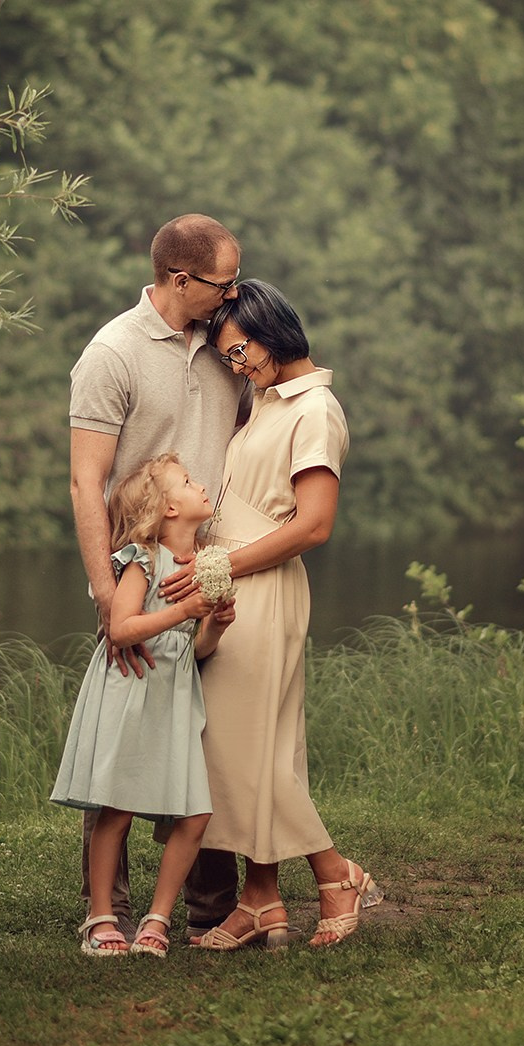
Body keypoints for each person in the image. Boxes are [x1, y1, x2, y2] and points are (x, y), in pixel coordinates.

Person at [169, 279, 383, 949]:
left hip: (261, 583)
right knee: (242, 745)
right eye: (229, 357)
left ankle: (335, 871)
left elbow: (315, 525)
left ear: (274, 328)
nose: (239, 365)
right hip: (229, 581)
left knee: (246, 752)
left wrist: (226, 566)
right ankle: (261, 897)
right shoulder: (262, 401)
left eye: (243, 350)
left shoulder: (315, 408)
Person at [68, 215, 247, 940]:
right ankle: (102, 908)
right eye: (222, 281)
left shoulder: (227, 349)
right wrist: (111, 595)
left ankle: (201, 903)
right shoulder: (113, 352)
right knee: (123, 743)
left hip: (209, 569)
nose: (233, 291)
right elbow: (88, 481)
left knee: (206, 735)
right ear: (180, 279)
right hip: (137, 576)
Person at [49, 455, 232, 957]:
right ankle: (101, 916)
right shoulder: (143, 559)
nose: (202, 486)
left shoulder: (203, 561)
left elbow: (196, 649)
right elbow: (121, 628)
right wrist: (183, 610)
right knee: (119, 805)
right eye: (190, 482)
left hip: (174, 692)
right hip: (133, 690)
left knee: (194, 815)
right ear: (170, 508)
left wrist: (215, 623)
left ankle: (157, 920)